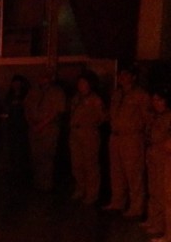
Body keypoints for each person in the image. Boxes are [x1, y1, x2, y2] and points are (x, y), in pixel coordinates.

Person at [103, 65, 151, 217]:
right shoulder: (116, 94)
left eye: (126, 74)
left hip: (132, 138)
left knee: (134, 173)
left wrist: (146, 138)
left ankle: (137, 207)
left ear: (133, 77)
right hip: (116, 137)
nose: (122, 77)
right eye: (120, 74)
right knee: (116, 172)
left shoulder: (141, 95)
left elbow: (148, 118)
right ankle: (118, 201)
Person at [24, 69, 66, 191]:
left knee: (47, 156)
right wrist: (31, 123)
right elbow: (27, 108)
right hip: (34, 128)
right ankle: (37, 182)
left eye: (45, 77)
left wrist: (42, 124)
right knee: (35, 156)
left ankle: (46, 184)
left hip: (49, 129)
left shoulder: (57, 93)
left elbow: (57, 111)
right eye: (40, 76)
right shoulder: (33, 92)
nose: (42, 79)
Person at [68, 71, 106, 205]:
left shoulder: (96, 100)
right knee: (77, 164)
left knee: (90, 164)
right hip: (75, 134)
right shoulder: (76, 98)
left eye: (83, 82)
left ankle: (92, 193)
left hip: (88, 133)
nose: (80, 85)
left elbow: (103, 117)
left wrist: (91, 124)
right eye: (79, 82)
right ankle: (80, 188)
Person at [144, 88, 171, 242]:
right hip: (154, 153)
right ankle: (156, 222)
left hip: (165, 156)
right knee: (154, 189)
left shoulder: (168, 117)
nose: (156, 103)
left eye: (159, 100)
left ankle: (166, 230)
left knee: (165, 194)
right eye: (154, 100)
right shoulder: (155, 116)